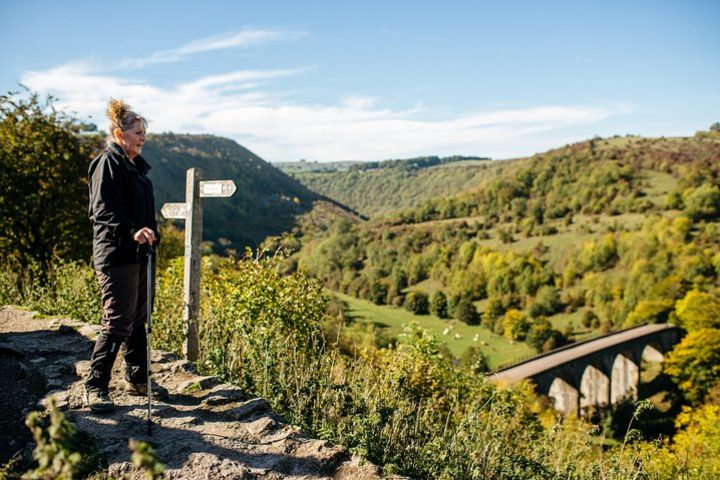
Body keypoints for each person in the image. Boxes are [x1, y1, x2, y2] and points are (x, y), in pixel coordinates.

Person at [84, 99, 168, 412]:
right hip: (116, 254)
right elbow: (102, 211)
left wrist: (146, 237)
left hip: (140, 254)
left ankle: (136, 378)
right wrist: (133, 229)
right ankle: (95, 385)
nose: (143, 137)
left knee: (138, 320)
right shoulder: (107, 164)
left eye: (144, 131)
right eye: (137, 132)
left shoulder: (134, 167)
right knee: (118, 320)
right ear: (120, 135)